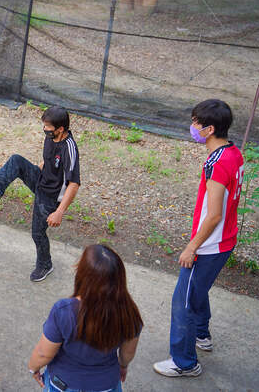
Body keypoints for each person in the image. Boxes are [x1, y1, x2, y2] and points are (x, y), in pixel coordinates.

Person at [153, 99, 244, 377]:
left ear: (210, 129)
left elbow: (214, 214)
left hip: (209, 245)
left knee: (184, 301)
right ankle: (202, 335)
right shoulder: (233, 153)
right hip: (224, 241)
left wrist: (191, 247)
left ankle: (184, 362)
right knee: (197, 291)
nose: (192, 127)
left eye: (196, 123)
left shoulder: (217, 163)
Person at [0, 107, 80, 282]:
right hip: (41, 180)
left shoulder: (69, 148)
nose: (44, 129)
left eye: (47, 126)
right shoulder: (51, 137)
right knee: (16, 160)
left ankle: (45, 264)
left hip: (51, 196)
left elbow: (74, 184)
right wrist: (32, 171)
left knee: (37, 234)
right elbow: (48, 160)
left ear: (60, 128)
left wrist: (59, 212)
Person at [27, 244, 143, 392]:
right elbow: (127, 354)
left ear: (82, 274)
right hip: (106, 384)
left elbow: (43, 353)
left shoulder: (64, 311)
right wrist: (123, 366)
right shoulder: (130, 313)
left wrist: (33, 368)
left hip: (64, 384)